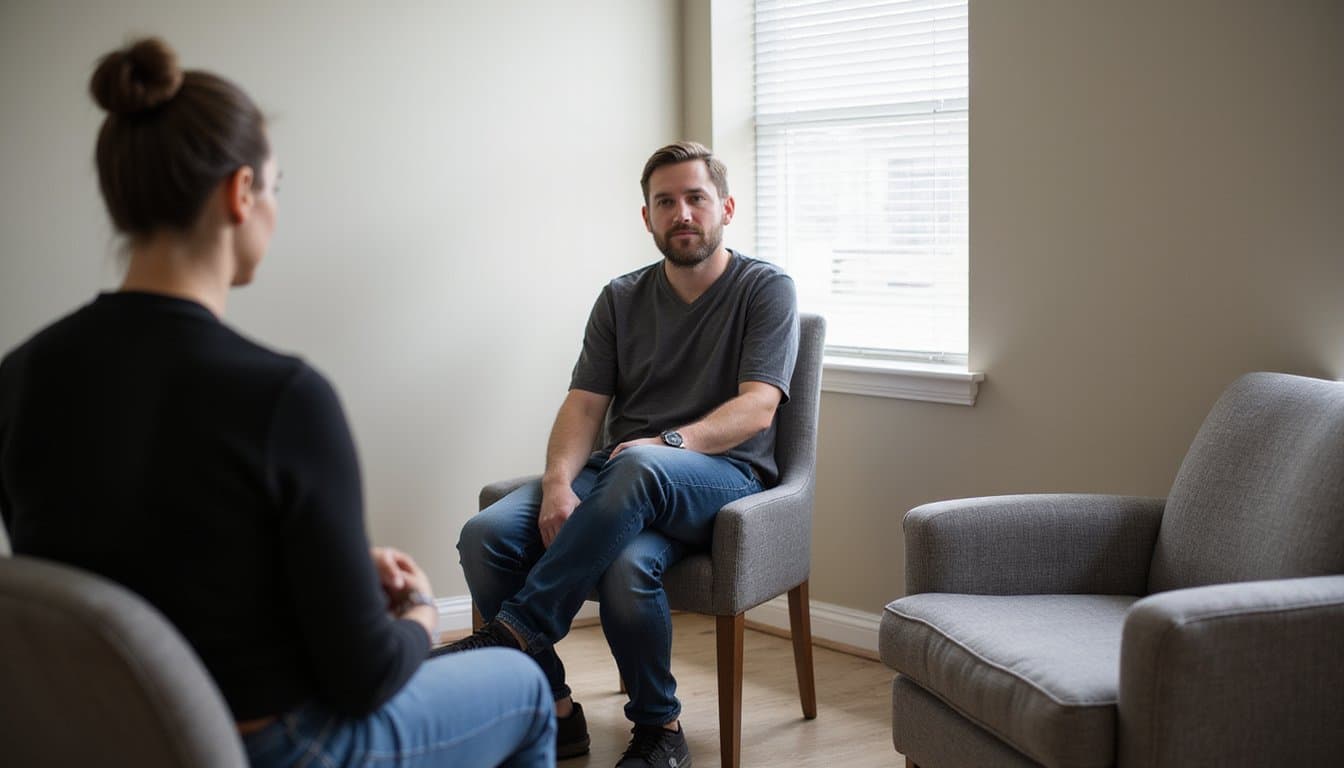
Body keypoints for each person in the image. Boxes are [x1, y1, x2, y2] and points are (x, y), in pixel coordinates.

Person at [0, 38, 554, 768]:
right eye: (276, 185)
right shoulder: (281, 397)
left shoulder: (21, 376)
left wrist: (330, 564)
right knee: (524, 688)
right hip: (268, 746)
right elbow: (361, 680)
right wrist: (421, 619)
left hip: (96, 740)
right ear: (241, 193)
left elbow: (139, 559)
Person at [442, 141, 799, 767]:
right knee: (487, 535)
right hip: (624, 478)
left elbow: (758, 407)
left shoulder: (766, 289)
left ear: (726, 208)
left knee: (636, 466)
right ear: (647, 217)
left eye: (696, 198)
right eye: (666, 202)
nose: (682, 213)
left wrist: (669, 445)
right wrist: (558, 485)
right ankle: (559, 711)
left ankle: (525, 634)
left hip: (724, 479)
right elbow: (583, 405)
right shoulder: (621, 297)